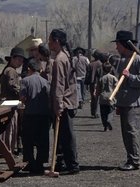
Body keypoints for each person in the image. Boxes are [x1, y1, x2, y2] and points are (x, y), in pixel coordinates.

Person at [111, 30, 140, 171]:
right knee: (125, 133)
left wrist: (131, 76)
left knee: (131, 132)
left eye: (117, 44)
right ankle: (130, 158)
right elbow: (120, 84)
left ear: (123, 44)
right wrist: (118, 102)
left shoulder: (137, 59)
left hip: (134, 103)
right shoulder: (122, 60)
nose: (116, 47)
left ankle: (134, 161)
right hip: (124, 102)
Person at [48, 28, 80, 174]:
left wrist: (59, 105)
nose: (48, 43)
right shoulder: (66, 56)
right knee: (64, 135)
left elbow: (59, 85)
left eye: (50, 40)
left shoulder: (60, 59)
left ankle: (72, 165)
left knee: (66, 136)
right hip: (70, 100)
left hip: (64, 102)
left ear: (56, 41)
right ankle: (67, 163)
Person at [19, 60, 51, 174]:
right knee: (42, 140)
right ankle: (40, 163)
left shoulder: (25, 81)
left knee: (28, 140)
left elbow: (22, 98)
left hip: (30, 114)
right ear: (40, 69)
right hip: (43, 115)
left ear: (28, 69)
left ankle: (30, 162)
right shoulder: (45, 81)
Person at [0, 47, 26, 154]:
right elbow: (12, 85)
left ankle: (7, 148)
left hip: (8, 102)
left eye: (22, 61)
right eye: (19, 60)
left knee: (10, 127)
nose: (20, 63)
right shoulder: (10, 70)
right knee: (10, 127)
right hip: (9, 103)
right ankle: (7, 150)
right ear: (12, 59)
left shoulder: (8, 69)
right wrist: (22, 92)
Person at [97, 62, 118, 131]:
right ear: (111, 69)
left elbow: (98, 88)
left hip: (103, 97)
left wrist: (97, 94)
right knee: (111, 111)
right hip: (111, 96)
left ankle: (105, 125)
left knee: (103, 113)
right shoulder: (113, 78)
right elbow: (117, 87)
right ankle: (109, 120)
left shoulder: (101, 78)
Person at [85, 50, 103, 118]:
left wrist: (87, 83)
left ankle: (93, 112)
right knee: (97, 98)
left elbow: (88, 74)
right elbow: (100, 75)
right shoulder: (100, 64)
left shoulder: (90, 64)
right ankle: (96, 112)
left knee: (92, 98)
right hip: (98, 83)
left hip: (91, 83)